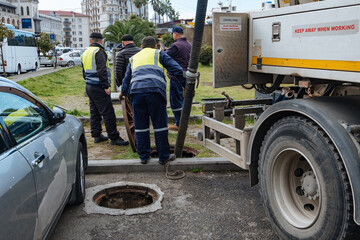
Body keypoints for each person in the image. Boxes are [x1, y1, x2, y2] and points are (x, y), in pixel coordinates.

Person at [121, 36, 183, 165]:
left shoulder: (134, 58)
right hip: (155, 92)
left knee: (140, 126)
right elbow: (176, 69)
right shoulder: (159, 53)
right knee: (160, 125)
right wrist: (184, 83)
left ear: (141, 46)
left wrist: (123, 93)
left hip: (137, 93)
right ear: (155, 46)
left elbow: (126, 80)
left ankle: (144, 157)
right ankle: (163, 157)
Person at [81, 32, 129, 146]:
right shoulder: (99, 52)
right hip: (98, 86)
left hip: (89, 85)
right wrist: (105, 86)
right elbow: (102, 70)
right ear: (101, 41)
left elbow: (83, 72)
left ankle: (97, 135)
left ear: (90, 40)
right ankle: (114, 137)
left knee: (95, 112)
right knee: (108, 113)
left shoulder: (86, 52)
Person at [164, 26, 192, 131]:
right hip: (187, 76)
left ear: (175, 33)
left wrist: (164, 51)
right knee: (184, 101)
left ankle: (179, 123)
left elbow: (165, 57)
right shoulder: (189, 44)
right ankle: (183, 122)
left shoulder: (176, 45)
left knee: (175, 101)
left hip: (176, 77)